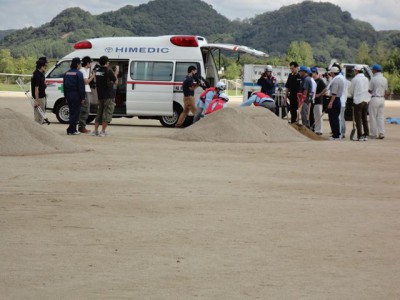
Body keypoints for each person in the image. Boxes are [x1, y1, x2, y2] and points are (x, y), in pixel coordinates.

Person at [92, 56, 118, 137]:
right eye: (108, 62)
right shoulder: (108, 71)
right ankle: (103, 131)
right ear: (106, 62)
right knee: (107, 113)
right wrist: (116, 73)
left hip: (100, 95)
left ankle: (95, 131)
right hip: (108, 95)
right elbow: (116, 82)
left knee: (99, 113)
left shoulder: (97, 71)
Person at [63, 57, 85, 135]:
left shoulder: (66, 73)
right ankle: (72, 130)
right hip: (76, 95)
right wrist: (83, 97)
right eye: (80, 64)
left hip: (68, 94)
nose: (80, 66)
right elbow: (81, 87)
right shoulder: (79, 74)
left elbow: (64, 86)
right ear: (77, 64)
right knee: (75, 113)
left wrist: (65, 96)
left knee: (71, 112)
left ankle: (71, 128)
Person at [349, 65, 370, 141]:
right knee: (364, 118)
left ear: (357, 71)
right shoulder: (366, 79)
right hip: (366, 100)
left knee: (358, 119)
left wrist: (352, 96)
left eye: (354, 70)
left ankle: (360, 135)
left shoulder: (355, 79)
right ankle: (366, 134)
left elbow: (351, 91)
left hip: (358, 100)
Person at [369, 64, 389, 139]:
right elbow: (386, 91)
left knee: (373, 117)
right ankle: (381, 133)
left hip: (375, 98)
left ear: (375, 70)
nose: (372, 71)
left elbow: (370, 90)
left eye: (372, 70)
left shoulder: (373, 79)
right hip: (382, 99)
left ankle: (373, 134)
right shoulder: (385, 79)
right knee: (380, 117)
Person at [78, 56, 95, 133]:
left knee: (85, 109)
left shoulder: (84, 70)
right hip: (84, 91)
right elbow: (86, 82)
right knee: (85, 109)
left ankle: (82, 126)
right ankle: (82, 127)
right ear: (87, 63)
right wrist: (93, 76)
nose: (91, 64)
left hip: (85, 90)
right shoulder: (83, 71)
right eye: (90, 63)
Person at [326, 66, 344, 140]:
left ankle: (336, 135)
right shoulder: (340, 79)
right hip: (337, 100)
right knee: (335, 118)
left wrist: (330, 102)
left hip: (335, 100)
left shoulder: (336, 81)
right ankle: (336, 134)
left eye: (331, 73)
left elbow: (334, 93)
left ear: (333, 73)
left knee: (333, 118)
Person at [31, 59, 47, 124]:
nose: (45, 67)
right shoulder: (37, 75)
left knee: (42, 114)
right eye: (44, 66)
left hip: (42, 96)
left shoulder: (40, 74)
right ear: (41, 66)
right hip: (39, 98)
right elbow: (36, 88)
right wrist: (36, 100)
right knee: (38, 115)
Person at [311, 67, 327, 135]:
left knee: (318, 116)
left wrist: (319, 94)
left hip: (318, 101)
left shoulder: (320, 80)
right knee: (315, 115)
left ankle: (319, 130)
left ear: (316, 73)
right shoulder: (312, 80)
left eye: (313, 72)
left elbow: (325, 89)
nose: (312, 74)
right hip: (313, 100)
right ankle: (316, 129)